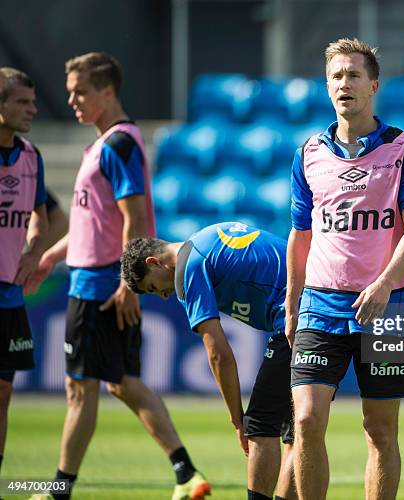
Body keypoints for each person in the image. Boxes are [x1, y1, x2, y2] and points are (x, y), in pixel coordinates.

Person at [26, 53, 210, 500]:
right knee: (122, 382)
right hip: (100, 280)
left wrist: (128, 284)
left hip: (99, 287)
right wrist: (52, 254)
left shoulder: (119, 145)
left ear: (108, 92)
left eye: (81, 91)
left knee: (80, 389)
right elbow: (96, 224)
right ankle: (186, 474)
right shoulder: (105, 144)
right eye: (70, 91)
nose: (72, 100)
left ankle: (57, 491)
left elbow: (134, 219)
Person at [285, 38, 404, 499]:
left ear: (373, 85)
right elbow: (301, 234)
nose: (343, 83)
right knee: (306, 420)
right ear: (327, 87)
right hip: (320, 305)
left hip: (386, 308)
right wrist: (292, 301)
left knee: (380, 430)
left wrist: (386, 283)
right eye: (335, 76)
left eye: (352, 75)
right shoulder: (309, 152)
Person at [120, 221, 296, 500]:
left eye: (154, 287)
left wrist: (237, 419)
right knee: (295, 435)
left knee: (260, 427)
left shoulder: (189, 266)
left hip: (295, 318)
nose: (164, 296)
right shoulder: (202, 239)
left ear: (155, 262)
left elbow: (218, 353)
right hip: (316, 303)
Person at [0, 67, 48, 477]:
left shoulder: (31, 157)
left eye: (33, 102)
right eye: (22, 102)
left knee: (2, 392)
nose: (31, 109)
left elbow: (41, 216)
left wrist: (34, 252)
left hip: (10, 297)